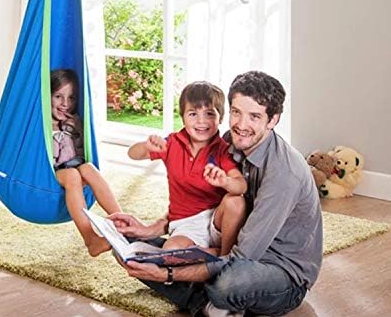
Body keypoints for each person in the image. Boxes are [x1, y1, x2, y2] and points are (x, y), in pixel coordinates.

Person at [110, 71, 323, 316]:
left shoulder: (284, 174)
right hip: (231, 244)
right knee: (124, 247)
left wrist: (168, 274)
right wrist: (150, 229)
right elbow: (198, 204)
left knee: (228, 284)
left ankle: (203, 297)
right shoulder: (231, 141)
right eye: (236, 112)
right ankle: (213, 304)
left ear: (273, 120)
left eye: (254, 116)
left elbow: (242, 257)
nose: (241, 125)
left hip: (279, 270)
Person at [128, 81, 247, 255]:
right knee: (171, 250)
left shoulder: (223, 149)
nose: (201, 121)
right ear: (182, 117)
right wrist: (146, 146)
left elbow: (241, 186)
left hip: (217, 221)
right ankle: (211, 252)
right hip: (186, 223)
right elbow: (132, 154)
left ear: (220, 118)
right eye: (193, 114)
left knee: (236, 201)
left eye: (209, 113)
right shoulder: (172, 143)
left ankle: (225, 256)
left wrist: (225, 181)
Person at [51, 69, 122, 257]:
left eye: (71, 98)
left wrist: (78, 129)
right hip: (52, 173)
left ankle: (121, 221)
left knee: (88, 168)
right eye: (58, 97)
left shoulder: (73, 121)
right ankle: (91, 239)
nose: (65, 104)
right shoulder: (41, 125)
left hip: (75, 165)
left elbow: (82, 149)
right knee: (73, 175)